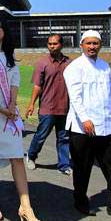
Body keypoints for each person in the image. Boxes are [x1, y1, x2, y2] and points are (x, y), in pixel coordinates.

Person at [0, 17, 43, 221]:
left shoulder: (10, 55)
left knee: (17, 156)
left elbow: (14, 83)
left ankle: (26, 206)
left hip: (8, 113)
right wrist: (1, 109)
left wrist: (12, 105)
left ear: (5, 30)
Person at [63, 30, 111, 221]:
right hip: (83, 128)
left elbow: (110, 96)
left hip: (107, 126)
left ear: (100, 45)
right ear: (81, 45)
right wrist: (85, 119)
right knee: (82, 167)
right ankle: (80, 201)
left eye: (95, 43)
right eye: (88, 43)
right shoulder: (74, 68)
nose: (92, 47)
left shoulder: (105, 67)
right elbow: (75, 97)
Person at [25, 34, 72, 175]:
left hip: (65, 108)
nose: (52, 46)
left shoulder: (69, 63)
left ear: (61, 45)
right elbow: (37, 86)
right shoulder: (42, 63)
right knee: (41, 136)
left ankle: (63, 165)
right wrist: (31, 104)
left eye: (55, 43)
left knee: (64, 137)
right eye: (50, 44)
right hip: (47, 108)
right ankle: (31, 156)